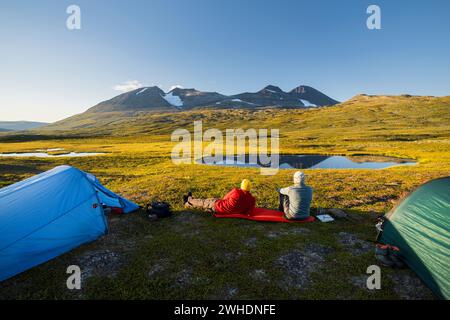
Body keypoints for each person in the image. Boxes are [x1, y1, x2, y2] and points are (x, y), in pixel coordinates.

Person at [183, 179, 256, 215]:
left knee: (203, 202)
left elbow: (225, 198)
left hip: (218, 206)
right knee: (206, 203)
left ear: (241, 186)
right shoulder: (252, 199)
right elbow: (249, 213)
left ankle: (188, 200)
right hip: (226, 210)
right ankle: (189, 201)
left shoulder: (236, 192)